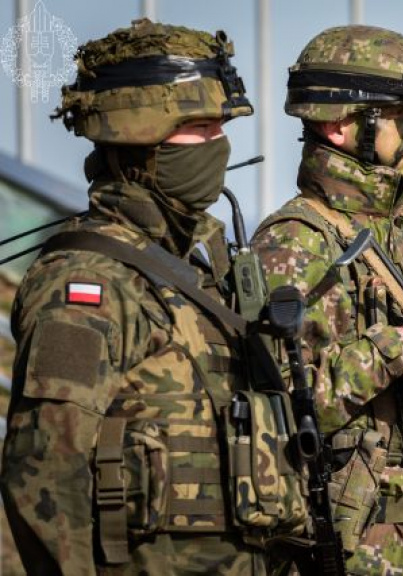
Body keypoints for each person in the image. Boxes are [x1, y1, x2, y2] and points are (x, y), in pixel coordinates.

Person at [0, 19, 277, 575]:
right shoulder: (90, 282)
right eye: (199, 127)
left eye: (220, 128)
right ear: (140, 140)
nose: (218, 146)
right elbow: (45, 477)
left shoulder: (202, 268)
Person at [252, 25, 403, 574]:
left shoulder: (397, 239)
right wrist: (396, 349)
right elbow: (276, 411)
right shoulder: (296, 243)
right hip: (357, 553)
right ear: (338, 126)